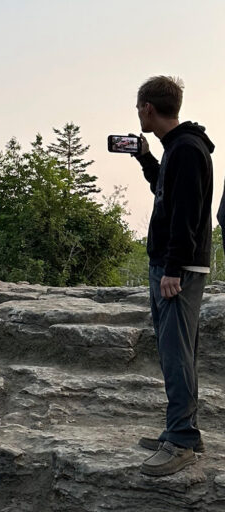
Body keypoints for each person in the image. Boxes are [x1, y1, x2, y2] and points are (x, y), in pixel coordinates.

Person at [131, 76, 214, 476]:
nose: (138, 114)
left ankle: (181, 438)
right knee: (176, 352)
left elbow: (186, 213)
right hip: (173, 264)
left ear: (148, 108)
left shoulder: (186, 149)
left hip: (177, 268)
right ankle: (182, 431)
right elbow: (166, 194)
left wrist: (172, 269)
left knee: (176, 354)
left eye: (138, 108)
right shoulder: (178, 149)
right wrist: (146, 159)